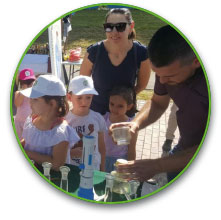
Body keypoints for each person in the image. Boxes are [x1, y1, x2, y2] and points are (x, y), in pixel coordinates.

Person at [110, 25, 209, 182]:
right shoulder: (166, 72)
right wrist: (135, 124)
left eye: (169, 76)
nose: (162, 81)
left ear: (196, 61)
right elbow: (157, 102)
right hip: (183, 149)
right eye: (158, 75)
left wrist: (157, 165)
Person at [80, 8, 151, 116]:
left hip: (124, 115)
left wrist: (123, 101)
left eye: (120, 26)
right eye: (109, 27)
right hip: (97, 114)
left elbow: (141, 85)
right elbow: (83, 83)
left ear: (131, 27)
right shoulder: (93, 52)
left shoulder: (141, 53)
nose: (114, 32)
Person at [20, 75, 80, 171]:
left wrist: (26, 153)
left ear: (52, 104)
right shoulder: (31, 121)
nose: (30, 102)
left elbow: (57, 164)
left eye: (35, 99)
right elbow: (28, 141)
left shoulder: (60, 132)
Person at [66, 75, 106, 171]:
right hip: (72, 169)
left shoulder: (98, 118)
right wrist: (70, 153)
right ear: (69, 97)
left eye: (88, 97)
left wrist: (102, 169)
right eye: (79, 98)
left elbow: (101, 147)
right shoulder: (65, 120)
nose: (84, 102)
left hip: (93, 168)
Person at [104, 86, 138, 173]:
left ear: (129, 106)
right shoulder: (104, 118)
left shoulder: (131, 126)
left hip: (120, 162)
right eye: (112, 104)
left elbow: (131, 150)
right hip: (102, 159)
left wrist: (130, 169)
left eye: (120, 106)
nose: (115, 109)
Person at [14, 68, 36, 140]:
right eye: (25, 83)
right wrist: (24, 93)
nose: (28, 85)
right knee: (18, 141)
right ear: (21, 84)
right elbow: (18, 104)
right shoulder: (18, 93)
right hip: (19, 123)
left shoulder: (35, 94)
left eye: (30, 83)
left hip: (30, 123)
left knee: (28, 141)